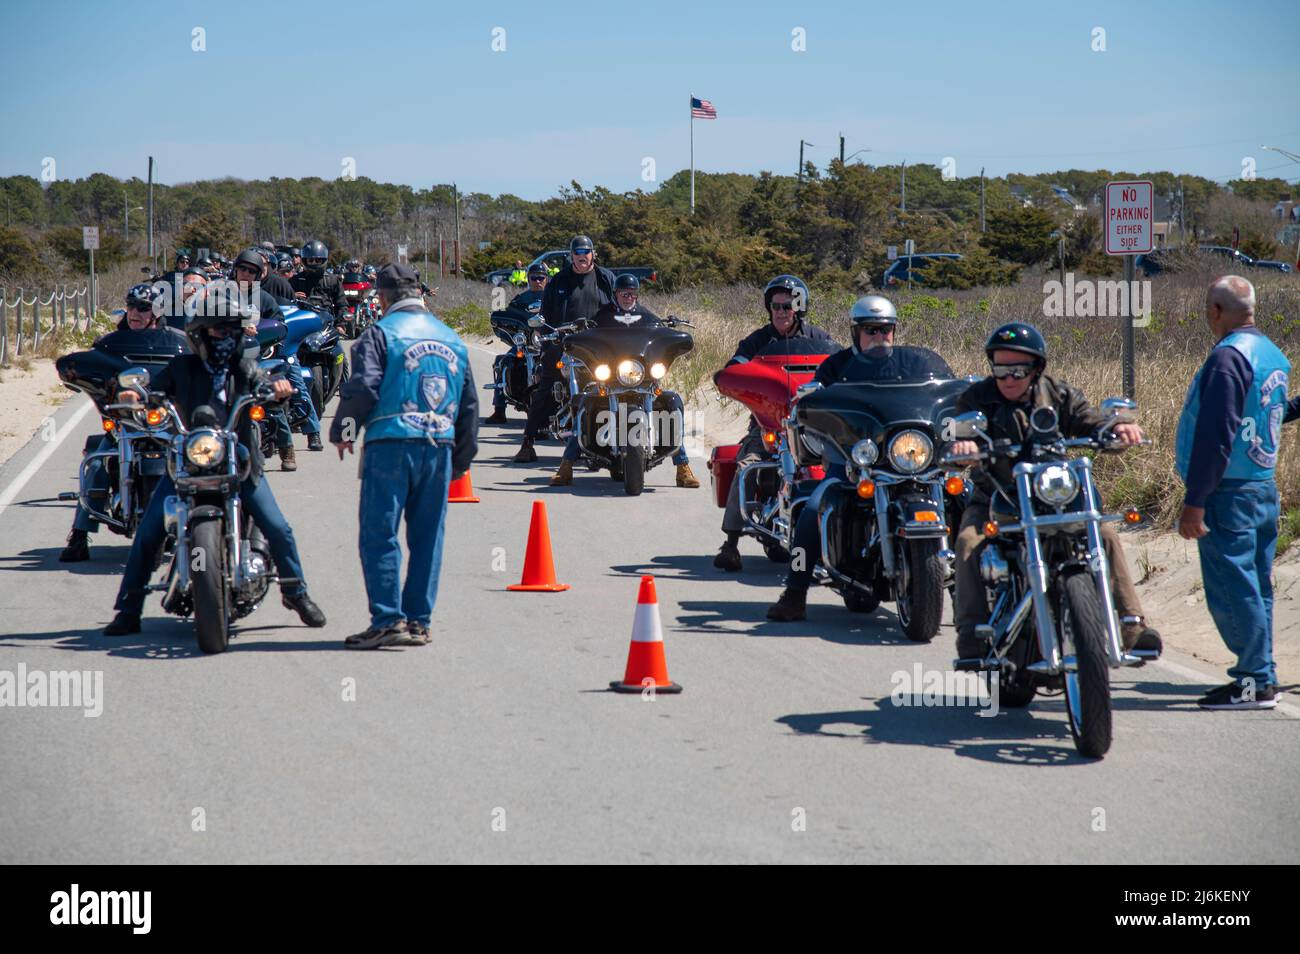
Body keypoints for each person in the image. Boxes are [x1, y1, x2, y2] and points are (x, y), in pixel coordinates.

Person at [102, 289, 326, 636]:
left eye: (233, 330)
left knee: (277, 526)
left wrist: (278, 389)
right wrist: (134, 396)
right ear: (200, 333)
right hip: (188, 461)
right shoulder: (181, 368)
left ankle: (295, 592)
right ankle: (128, 609)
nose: (228, 337)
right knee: (148, 533)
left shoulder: (245, 368)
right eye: (220, 330)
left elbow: (266, 386)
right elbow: (152, 392)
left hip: (240, 462)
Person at [945, 321, 1160, 661]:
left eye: (1018, 369)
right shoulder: (977, 398)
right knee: (968, 542)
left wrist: (1117, 426)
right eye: (1001, 369)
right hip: (997, 496)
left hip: (1052, 494)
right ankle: (971, 634)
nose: (1009, 378)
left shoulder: (1057, 394)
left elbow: (1088, 419)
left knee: (1105, 534)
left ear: (1036, 368)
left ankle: (1131, 626)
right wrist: (962, 448)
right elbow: (958, 435)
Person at [765, 295, 953, 620]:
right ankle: (794, 592)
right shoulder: (837, 365)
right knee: (812, 507)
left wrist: (960, 390)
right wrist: (810, 392)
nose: (879, 337)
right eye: (871, 330)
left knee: (963, 497)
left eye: (885, 330)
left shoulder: (912, 363)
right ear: (856, 332)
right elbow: (814, 390)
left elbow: (941, 388)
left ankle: (973, 595)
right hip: (852, 460)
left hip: (906, 456)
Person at [329, 263, 478, 649]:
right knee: (428, 538)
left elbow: (362, 388)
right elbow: (469, 406)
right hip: (439, 447)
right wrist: (461, 460)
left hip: (390, 444)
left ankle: (387, 620)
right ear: (421, 294)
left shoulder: (379, 334)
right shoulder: (452, 338)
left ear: (381, 298)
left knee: (380, 534)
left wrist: (343, 431)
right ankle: (418, 622)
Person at [1176, 276, 1288, 709]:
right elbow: (1269, 412)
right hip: (1262, 486)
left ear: (1218, 311)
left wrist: (1196, 500)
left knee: (1233, 586)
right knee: (1257, 584)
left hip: (1228, 491)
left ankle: (1253, 681)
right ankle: (1264, 674)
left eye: (1208, 308)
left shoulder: (1228, 357)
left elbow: (1217, 432)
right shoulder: (1271, 354)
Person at [713, 275, 837, 571]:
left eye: (788, 305)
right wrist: (736, 376)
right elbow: (734, 367)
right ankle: (730, 543)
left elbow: (842, 367)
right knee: (747, 465)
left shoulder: (821, 340)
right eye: (775, 306)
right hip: (768, 424)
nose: (781, 311)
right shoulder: (758, 340)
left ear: (800, 307)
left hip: (814, 426)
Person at [59, 284, 188, 562]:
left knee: (200, 462)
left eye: (143, 307)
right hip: (124, 423)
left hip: (167, 423)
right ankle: (79, 536)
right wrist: (76, 371)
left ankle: (204, 531)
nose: (135, 312)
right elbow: (93, 365)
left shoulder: (177, 341)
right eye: (131, 306)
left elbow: (195, 367)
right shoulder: (111, 343)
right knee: (96, 461)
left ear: (156, 312)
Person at [547, 274, 700, 488]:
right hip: (610, 380)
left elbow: (658, 330)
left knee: (672, 402)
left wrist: (672, 328)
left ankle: (682, 467)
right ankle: (566, 467)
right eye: (624, 294)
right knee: (584, 404)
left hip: (642, 380)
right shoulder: (602, 316)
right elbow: (589, 330)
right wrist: (579, 329)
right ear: (615, 294)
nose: (629, 298)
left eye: (633, 294)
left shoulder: (646, 316)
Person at [513, 234, 615, 463]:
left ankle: (621, 446)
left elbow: (618, 308)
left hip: (599, 346)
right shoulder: (558, 281)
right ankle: (527, 442)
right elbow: (545, 315)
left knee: (619, 384)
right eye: (577, 253)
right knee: (545, 387)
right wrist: (546, 335)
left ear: (593, 254)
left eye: (586, 252)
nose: (582, 257)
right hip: (564, 343)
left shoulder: (605, 278)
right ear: (571, 256)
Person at [233, 250, 322, 461]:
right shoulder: (221, 295)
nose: (245, 274)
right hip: (227, 358)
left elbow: (280, 324)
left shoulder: (264, 299)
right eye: (242, 269)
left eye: (251, 271)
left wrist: (269, 337)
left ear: (257, 275)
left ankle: (287, 447)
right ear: (235, 270)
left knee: (277, 392)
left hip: (260, 356)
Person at [484, 262, 549, 426]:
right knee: (503, 361)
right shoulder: (521, 299)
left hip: (548, 342)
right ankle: (499, 410)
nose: (538, 281)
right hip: (525, 343)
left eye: (541, 277)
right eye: (534, 278)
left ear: (547, 279)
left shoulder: (553, 298)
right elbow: (509, 315)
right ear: (528, 279)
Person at [291, 239, 346, 314]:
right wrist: (292, 296)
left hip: (326, 322)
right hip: (302, 320)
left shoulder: (332, 280)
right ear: (305, 261)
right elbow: (284, 302)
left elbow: (342, 305)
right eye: (310, 260)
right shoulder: (296, 280)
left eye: (317, 260)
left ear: (323, 260)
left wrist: (340, 324)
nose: (314, 263)